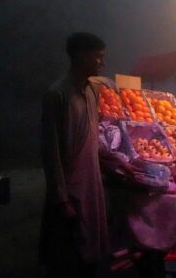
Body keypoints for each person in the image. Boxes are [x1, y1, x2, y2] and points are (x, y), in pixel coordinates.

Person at [39, 32, 123, 277]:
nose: (102, 63)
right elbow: (50, 151)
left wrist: (114, 160)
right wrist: (61, 198)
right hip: (70, 187)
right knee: (67, 251)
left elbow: (92, 138)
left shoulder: (90, 91)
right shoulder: (57, 95)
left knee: (91, 250)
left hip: (91, 183)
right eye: (98, 57)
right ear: (80, 56)